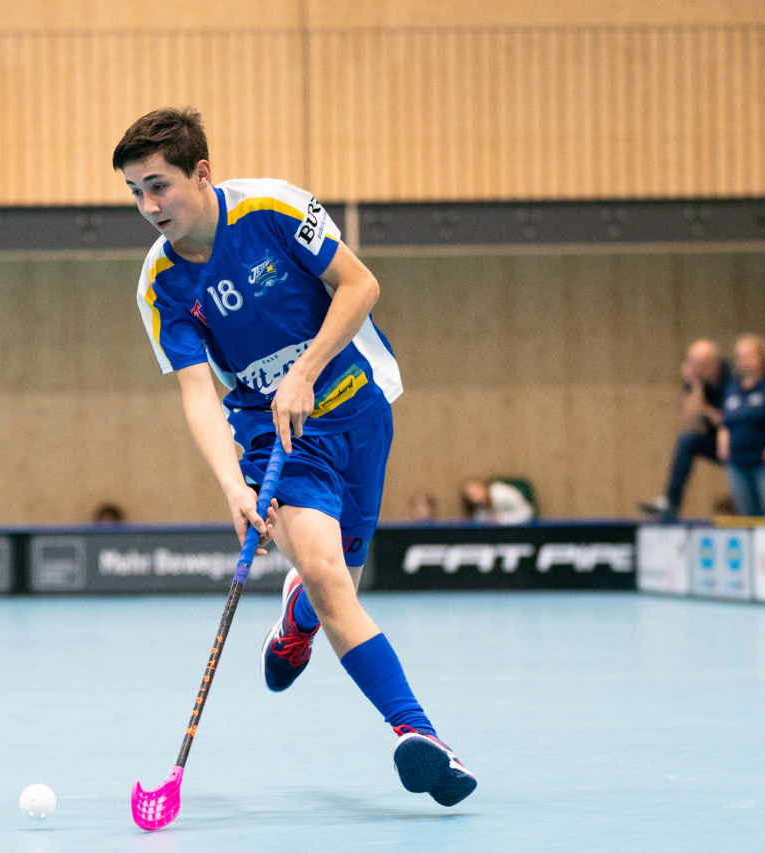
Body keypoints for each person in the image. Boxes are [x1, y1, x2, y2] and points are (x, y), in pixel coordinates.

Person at [113, 107, 476, 808]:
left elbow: (360, 285)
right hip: (271, 432)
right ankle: (420, 734)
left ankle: (294, 623)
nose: (149, 206)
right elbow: (197, 396)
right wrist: (232, 488)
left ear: (202, 173)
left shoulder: (274, 209)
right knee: (328, 573)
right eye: (135, 192)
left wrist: (306, 370)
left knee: (340, 577)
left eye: (158, 185)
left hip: (357, 404)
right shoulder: (162, 284)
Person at [639, 339, 732, 520]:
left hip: (743, 443)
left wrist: (707, 410)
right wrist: (695, 384)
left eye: (700, 365)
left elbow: (728, 421)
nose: (695, 369)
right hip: (717, 443)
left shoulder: (731, 378)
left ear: (713, 363)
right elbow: (690, 421)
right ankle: (671, 503)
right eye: (692, 364)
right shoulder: (696, 379)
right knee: (687, 440)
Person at [717, 333, 765, 517]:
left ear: (762, 357)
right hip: (738, 463)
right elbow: (726, 421)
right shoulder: (732, 388)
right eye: (740, 356)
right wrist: (723, 439)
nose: (745, 361)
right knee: (746, 515)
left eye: (749, 355)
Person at [460, 477, 535, 524]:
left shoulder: (502, 493)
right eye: (470, 495)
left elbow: (527, 512)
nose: (474, 497)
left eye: (475, 491)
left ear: (482, 487)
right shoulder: (479, 507)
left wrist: (503, 519)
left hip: (519, 532)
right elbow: (480, 522)